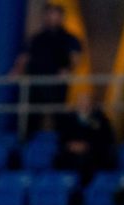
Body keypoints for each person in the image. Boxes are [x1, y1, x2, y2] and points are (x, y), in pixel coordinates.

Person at [12, 2, 81, 131]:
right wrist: (17, 71)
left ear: (61, 17)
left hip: (57, 85)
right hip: (35, 84)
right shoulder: (36, 38)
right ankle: (25, 145)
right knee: (31, 118)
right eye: (49, 15)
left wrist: (68, 70)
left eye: (55, 15)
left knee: (59, 116)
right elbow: (24, 57)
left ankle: (62, 143)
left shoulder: (69, 38)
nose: (52, 18)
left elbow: (76, 59)